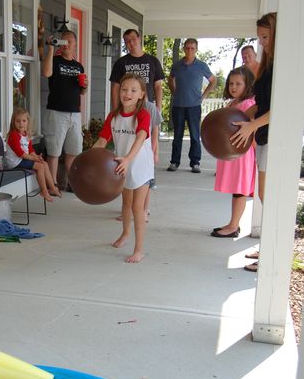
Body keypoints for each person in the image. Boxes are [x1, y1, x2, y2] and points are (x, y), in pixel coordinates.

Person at [230, 12, 277, 271]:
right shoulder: (267, 66)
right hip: (263, 134)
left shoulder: (282, 64)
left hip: (273, 137)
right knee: (263, 193)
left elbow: (279, 106)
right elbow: (262, 103)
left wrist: (252, 125)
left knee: (267, 195)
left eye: (266, 36)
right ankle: (269, 246)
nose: (263, 42)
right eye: (260, 37)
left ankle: (271, 253)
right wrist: (243, 116)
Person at [94, 74, 153, 263]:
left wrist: (128, 159)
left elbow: (140, 137)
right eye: (124, 89)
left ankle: (139, 249)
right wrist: (90, 158)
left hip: (140, 165)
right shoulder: (113, 116)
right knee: (126, 203)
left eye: (133, 90)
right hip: (122, 165)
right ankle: (126, 233)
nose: (127, 93)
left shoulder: (143, 115)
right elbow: (103, 140)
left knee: (137, 207)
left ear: (141, 95)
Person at [109, 28, 163, 216]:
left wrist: (158, 107)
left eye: (133, 39)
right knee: (128, 152)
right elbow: (115, 86)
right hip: (126, 107)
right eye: (127, 40)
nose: (130, 43)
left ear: (140, 38)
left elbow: (158, 85)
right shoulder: (121, 62)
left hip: (147, 105)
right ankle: (128, 209)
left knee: (148, 149)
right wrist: (117, 109)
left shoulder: (152, 60)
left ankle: (144, 208)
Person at [210, 67, 256, 238]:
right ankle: (232, 223)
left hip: (242, 153)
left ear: (248, 85)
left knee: (240, 190)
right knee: (236, 189)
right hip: (233, 152)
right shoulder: (233, 103)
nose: (234, 87)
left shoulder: (248, 104)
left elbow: (253, 129)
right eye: (231, 83)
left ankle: (234, 225)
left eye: (238, 84)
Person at [41, 30, 88, 188]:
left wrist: (85, 86)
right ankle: (52, 184)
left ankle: (71, 183)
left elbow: (82, 91)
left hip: (74, 114)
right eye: (63, 41)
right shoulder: (55, 60)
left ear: (75, 44)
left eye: (69, 41)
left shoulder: (78, 66)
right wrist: (51, 48)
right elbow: (46, 73)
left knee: (73, 152)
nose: (66, 44)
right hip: (56, 112)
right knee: (54, 152)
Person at [167, 38, 217, 173]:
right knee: (177, 135)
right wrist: (174, 92)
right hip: (178, 105)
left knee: (195, 135)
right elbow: (170, 79)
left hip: (194, 106)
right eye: (187, 48)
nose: (189, 50)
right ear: (184, 49)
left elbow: (213, 81)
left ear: (196, 50)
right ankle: (174, 162)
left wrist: (204, 96)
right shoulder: (177, 65)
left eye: (192, 48)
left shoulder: (201, 66)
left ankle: (195, 163)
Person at [5, 107, 61, 202]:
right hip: (15, 161)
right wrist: (33, 159)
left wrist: (36, 157)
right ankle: (44, 191)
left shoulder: (26, 134)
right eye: (18, 121)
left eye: (24, 121)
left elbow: (30, 149)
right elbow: (20, 153)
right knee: (39, 166)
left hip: (23, 159)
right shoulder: (13, 135)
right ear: (13, 122)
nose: (21, 124)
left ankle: (52, 188)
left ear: (27, 122)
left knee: (44, 163)